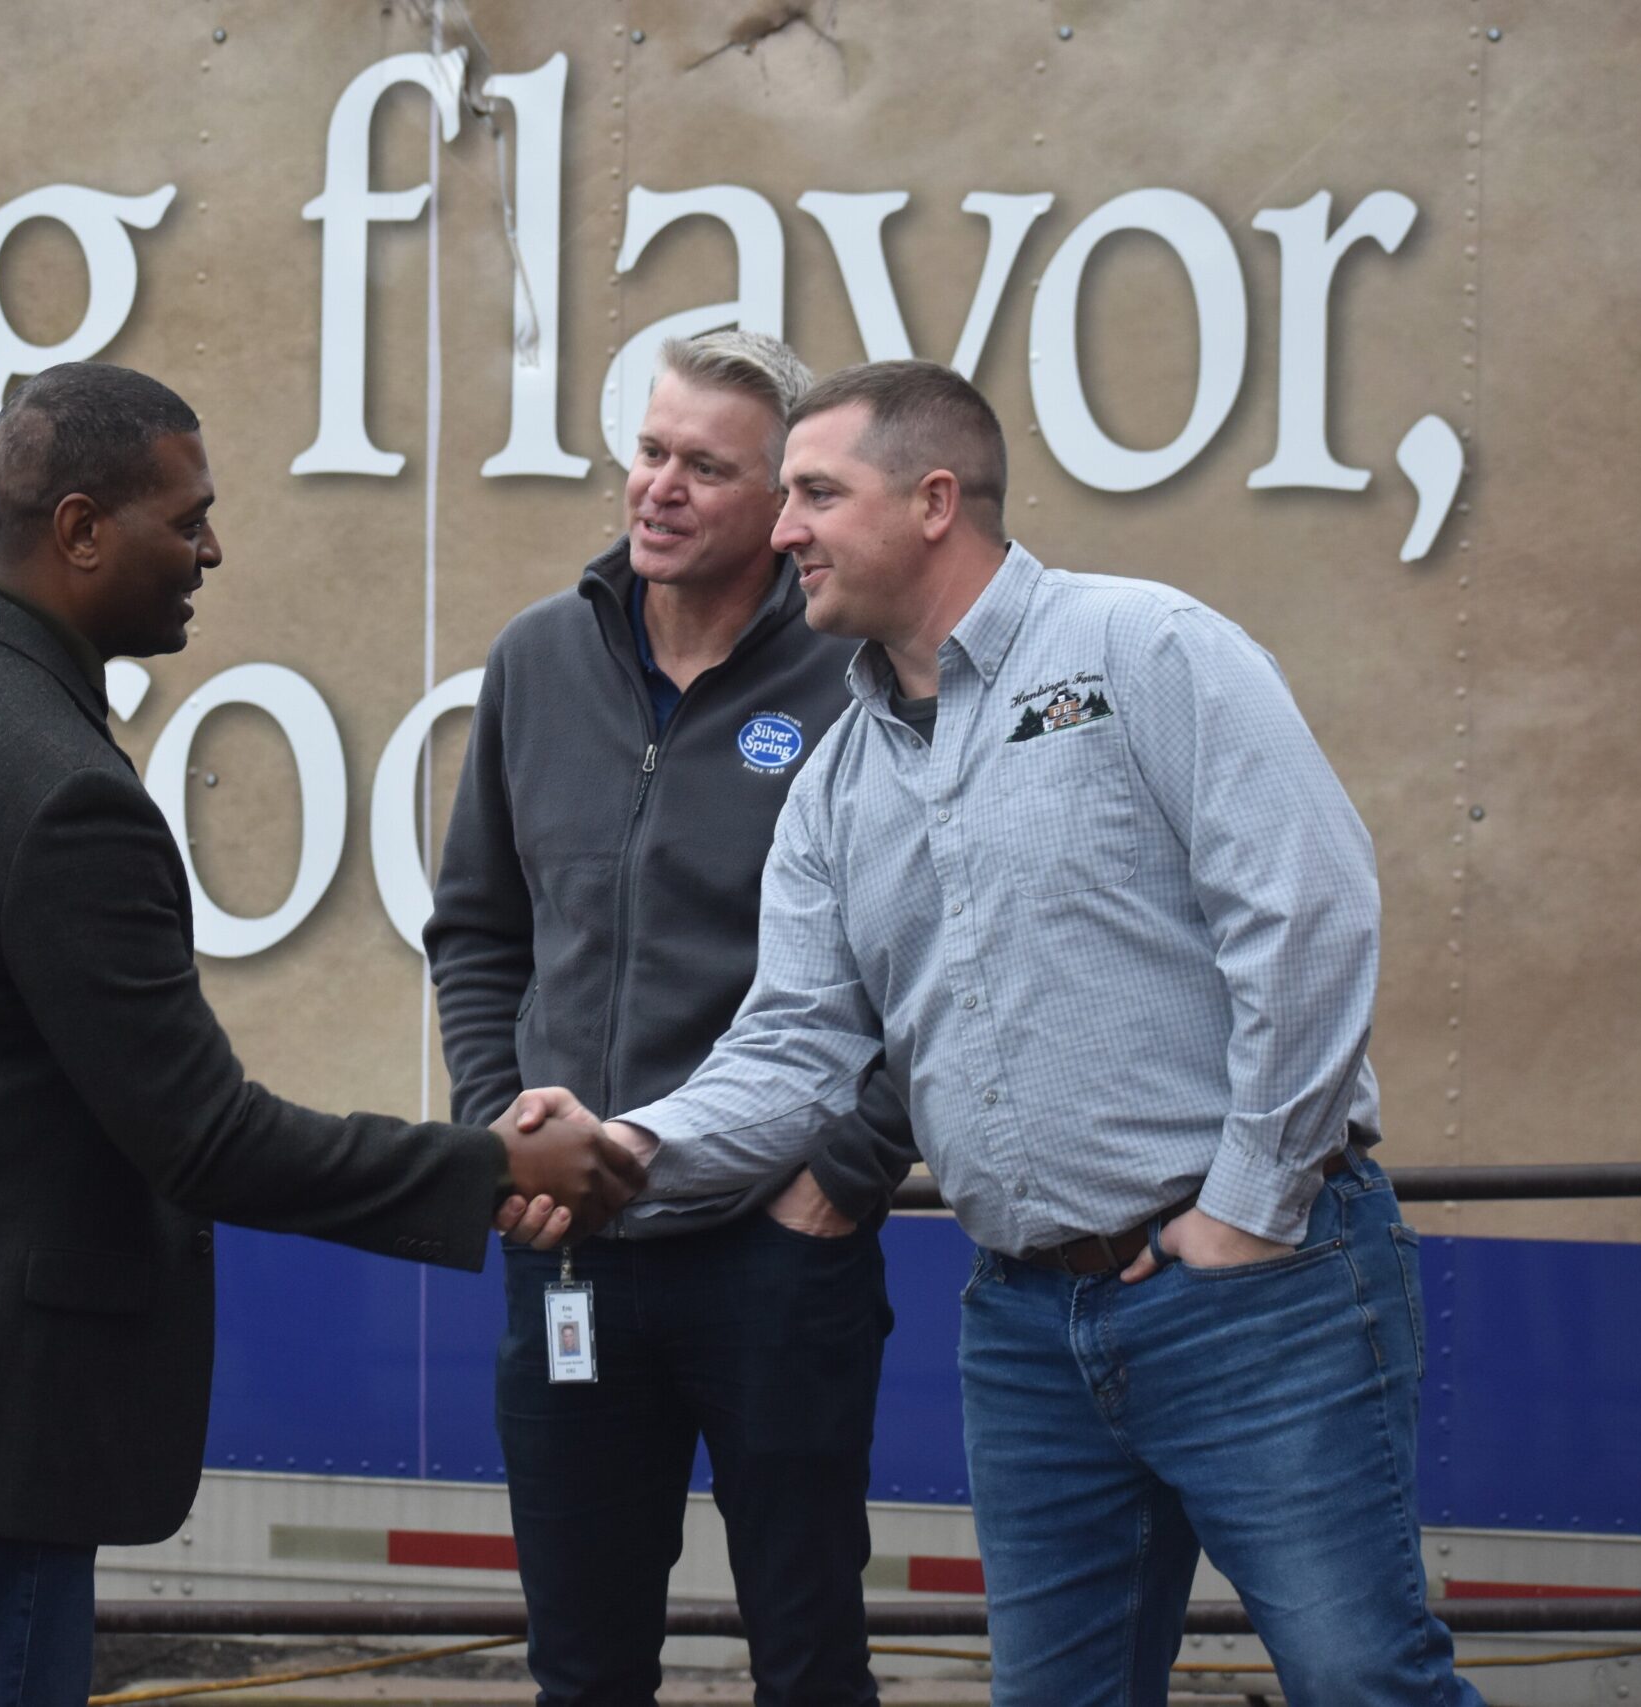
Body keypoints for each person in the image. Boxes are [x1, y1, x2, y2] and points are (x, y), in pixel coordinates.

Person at [0, 363, 642, 1707]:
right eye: (187, 518)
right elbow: (204, 1138)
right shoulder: (66, 796)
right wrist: (493, 1170)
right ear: (81, 530)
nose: (212, 549)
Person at [595, 360, 1482, 1705]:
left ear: (934, 500)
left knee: (1365, 1683)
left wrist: (1248, 1205)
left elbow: (1309, 916)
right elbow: (788, 1052)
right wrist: (622, 1146)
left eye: (817, 493)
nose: (782, 532)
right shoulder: (839, 778)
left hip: (1260, 1292)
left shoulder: (1147, 648)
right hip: (1023, 1324)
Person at [427, 332, 916, 1707]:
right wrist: (498, 1133)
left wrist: (840, 1177)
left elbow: (926, 966)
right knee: (583, 1668)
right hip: (569, 1247)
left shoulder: (853, 686)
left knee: (810, 1657)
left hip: (777, 1257)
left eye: (708, 466)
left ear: (783, 505)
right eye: (651, 453)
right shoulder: (538, 659)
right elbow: (478, 931)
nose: (662, 489)